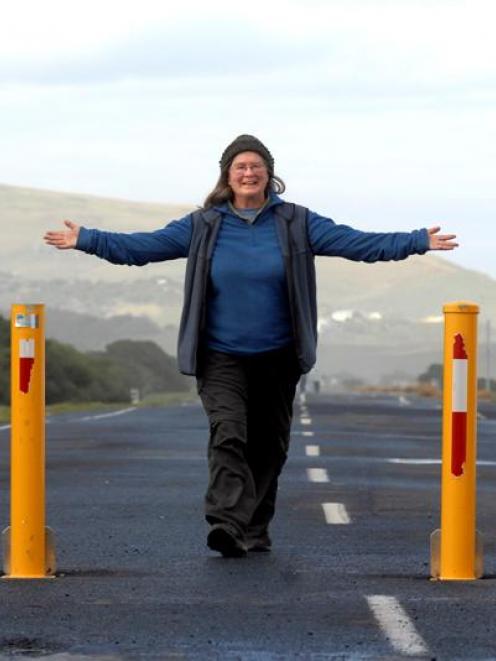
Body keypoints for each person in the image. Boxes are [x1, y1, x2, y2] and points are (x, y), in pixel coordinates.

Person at [44, 134, 458, 558]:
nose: (248, 173)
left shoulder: (297, 222)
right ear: (227, 174)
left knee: (268, 446)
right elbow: (141, 248)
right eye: (240, 166)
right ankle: (226, 523)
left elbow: (359, 244)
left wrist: (415, 241)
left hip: (279, 356)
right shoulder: (203, 225)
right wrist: (88, 239)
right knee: (229, 434)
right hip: (220, 354)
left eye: (256, 166)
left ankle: (254, 529)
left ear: (268, 174)